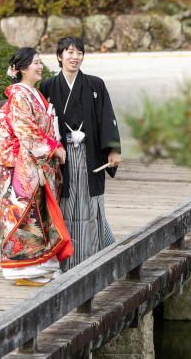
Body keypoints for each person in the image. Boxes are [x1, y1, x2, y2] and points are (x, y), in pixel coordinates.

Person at [38, 36, 122, 271]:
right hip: (60, 156)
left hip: (89, 154)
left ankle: (92, 259)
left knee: (89, 202)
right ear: (59, 57)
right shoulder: (47, 86)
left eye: (80, 53)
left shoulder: (95, 84)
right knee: (63, 203)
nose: (75, 57)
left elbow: (108, 117)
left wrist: (113, 149)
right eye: (70, 52)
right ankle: (64, 259)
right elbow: (41, 125)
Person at [0, 47, 73, 286]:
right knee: (26, 216)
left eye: (40, 62)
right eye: (36, 63)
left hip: (34, 164)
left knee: (39, 215)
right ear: (22, 68)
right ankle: (24, 270)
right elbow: (25, 130)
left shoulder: (33, 93)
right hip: (22, 168)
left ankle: (40, 266)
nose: (40, 66)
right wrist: (53, 149)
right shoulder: (19, 94)